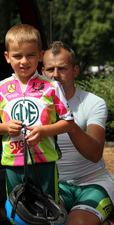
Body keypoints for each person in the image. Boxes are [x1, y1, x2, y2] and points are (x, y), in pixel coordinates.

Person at [0, 25, 74, 224]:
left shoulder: (52, 86)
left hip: (45, 163)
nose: (24, 61)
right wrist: (5, 127)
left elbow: (68, 122)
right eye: (17, 56)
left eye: (31, 55)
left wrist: (44, 131)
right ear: (7, 57)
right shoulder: (1, 88)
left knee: (48, 212)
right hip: (13, 163)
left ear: (41, 55)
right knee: (18, 214)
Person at [42, 41, 114, 225]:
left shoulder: (93, 103)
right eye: (50, 69)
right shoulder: (35, 107)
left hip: (94, 183)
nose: (56, 75)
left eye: (62, 68)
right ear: (42, 72)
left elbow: (95, 153)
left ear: (75, 71)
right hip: (57, 186)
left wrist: (70, 125)